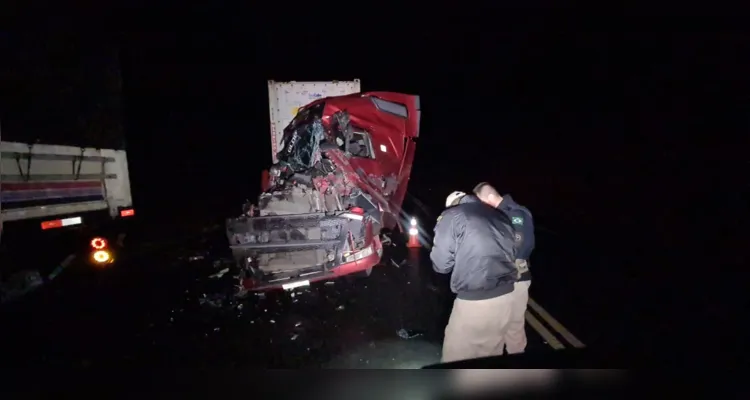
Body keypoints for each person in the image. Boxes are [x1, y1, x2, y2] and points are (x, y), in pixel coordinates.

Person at [430, 190, 519, 363]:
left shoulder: (452, 215)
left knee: (455, 356)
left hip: (474, 301)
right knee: (490, 356)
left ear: (453, 204)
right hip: (506, 299)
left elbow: (441, 264)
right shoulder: (501, 216)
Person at [473, 182, 536, 354]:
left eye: (482, 202)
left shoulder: (515, 213)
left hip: (515, 278)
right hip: (502, 278)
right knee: (496, 327)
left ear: (491, 198)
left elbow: (520, 245)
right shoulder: (498, 214)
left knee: (513, 328)